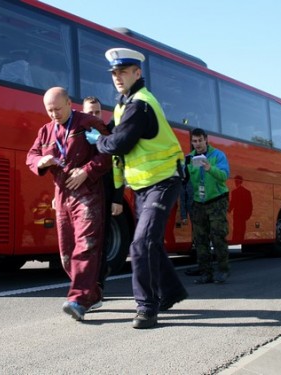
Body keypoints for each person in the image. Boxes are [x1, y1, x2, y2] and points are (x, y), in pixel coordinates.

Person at [86, 48, 188, 329]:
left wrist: (98, 141)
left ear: (137, 73)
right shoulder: (123, 104)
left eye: (123, 72)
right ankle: (171, 292)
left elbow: (118, 143)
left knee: (141, 243)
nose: (117, 77)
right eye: (114, 73)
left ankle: (146, 307)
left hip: (164, 180)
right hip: (144, 185)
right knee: (149, 243)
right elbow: (113, 133)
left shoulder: (139, 104)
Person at [26, 87, 111, 321]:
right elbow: (30, 156)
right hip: (62, 194)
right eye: (49, 110)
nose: (54, 114)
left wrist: (86, 171)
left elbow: (107, 153)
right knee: (67, 253)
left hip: (88, 193)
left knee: (86, 245)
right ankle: (91, 293)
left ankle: (78, 299)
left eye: (58, 109)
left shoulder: (88, 123)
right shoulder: (45, 131)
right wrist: (40, 162)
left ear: (69, 103)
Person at [82, 96, 124, 294]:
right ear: (82, 112)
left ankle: (97, 286)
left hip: (105, 196)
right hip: (83, 198)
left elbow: (119, 167)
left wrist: (117, 198)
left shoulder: (108, 135)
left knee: (100, 242)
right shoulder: (76, 135)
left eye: (97, 112)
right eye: (90, 112)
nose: (94, 116)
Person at [186, 128, 231, 284]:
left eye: (200, 141)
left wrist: (209, 168)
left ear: (206, 140)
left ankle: (223, 270)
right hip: (199, 201)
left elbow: (224, 176)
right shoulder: (189, 158)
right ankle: (206, 273)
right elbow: (185, 179)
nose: (197, 144)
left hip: (217, 199)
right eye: (194, 141)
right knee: (200, 239)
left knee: (218, 235)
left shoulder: (218, 155)